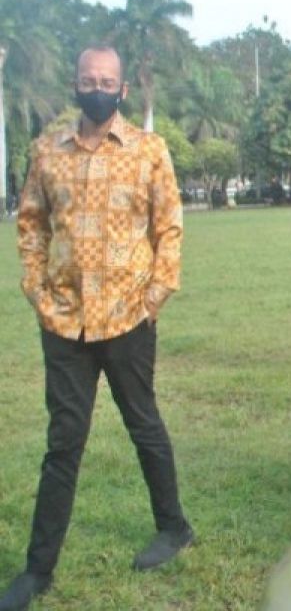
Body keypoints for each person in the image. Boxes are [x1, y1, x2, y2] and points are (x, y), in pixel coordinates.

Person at [4, 47, 191, 611]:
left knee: (143, 423)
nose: (97, 88)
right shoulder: (47, 151)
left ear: (123, 91)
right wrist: (37, 291)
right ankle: (38, 570)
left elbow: (170, 227)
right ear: (74, 84)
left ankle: (174, 527)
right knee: (63, 442)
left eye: (107, 81)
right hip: (64, 319)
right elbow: (31, 224)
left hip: (129, 316)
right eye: (89, 80)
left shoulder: (149, 151)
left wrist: (155, 296)